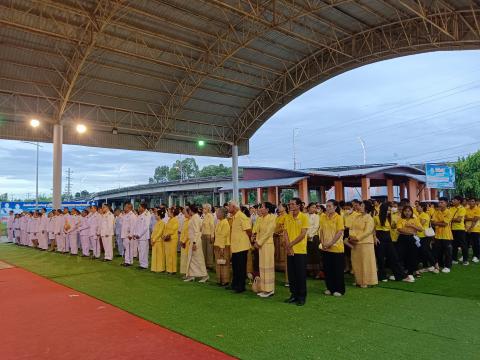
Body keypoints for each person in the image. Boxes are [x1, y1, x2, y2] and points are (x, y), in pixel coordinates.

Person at [283, 197, 309, 306]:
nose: (290, 206)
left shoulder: (304, 217)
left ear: (299, 206)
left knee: (300, 274)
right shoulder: (287, 217)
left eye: (293, 204)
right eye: (290, 204)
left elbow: (303, 234)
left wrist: (291, 244)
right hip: (290, 249)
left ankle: (301, 296)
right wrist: (288, 246)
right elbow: (285, 232)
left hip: (300, 250)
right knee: (292, 274)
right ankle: (293, 295)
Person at [346, 200, 378, 288]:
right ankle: (358, 280)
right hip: (355, 242)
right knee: (356, 262)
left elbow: (368, 231)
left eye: (362, 206)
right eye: (361, 206)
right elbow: (351, 228)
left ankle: (367, 281)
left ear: (367, 208)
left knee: (366, 262)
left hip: (365, 243)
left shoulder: (369, 218)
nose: (360, 207)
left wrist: (357, 238)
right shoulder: (357, 217)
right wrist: (351, 236)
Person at [374, 202, 407, 282]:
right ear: (383, 210)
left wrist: (394, 225)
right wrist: (375, 237)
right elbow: (373, 229)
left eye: (390, 210)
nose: (389, 212)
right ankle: (382, 276)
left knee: (394, 257)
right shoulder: (376, 218)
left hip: (389, 238)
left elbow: (393, 227)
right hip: (380, 238)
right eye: (388, 210)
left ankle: (400, 275)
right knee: (380, 259)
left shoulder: (390, 217)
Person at [319, 200, 345, 296]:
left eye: (330, 206)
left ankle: (339, 289)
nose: (328, 208)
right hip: (325, 247)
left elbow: (339, 232)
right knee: (328, 269)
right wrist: (323, 243)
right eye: (327, 206)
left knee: (337, 269)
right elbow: (321, 231)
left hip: (337, 248)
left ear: (335, 207)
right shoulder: (323, 217)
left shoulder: (339, 218)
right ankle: (330, 288)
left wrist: (331, 243)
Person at [228, 200, 252, 293]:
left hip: (241, 246)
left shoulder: (241, 216)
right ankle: (235, 284)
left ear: (234, 207)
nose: (228, 208)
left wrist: (248, 240)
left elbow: (249, 230)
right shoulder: (234, 217)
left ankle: (240, 286)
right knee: (235, 267)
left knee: (241, 267)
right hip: (235, 246)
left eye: (229, 206)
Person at [253, 202, 276, 298]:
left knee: (268, 266)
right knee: (262, 266)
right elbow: (256, 229)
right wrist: (254, 238)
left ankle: (270, 289)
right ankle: (263, 288)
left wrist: (259, 242)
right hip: (260, 245)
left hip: (267, 245)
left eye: (262, 207)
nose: (260, 209)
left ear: (267, 209)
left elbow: (268, 232)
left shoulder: (272, 218)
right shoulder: (260, 218)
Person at [396, 205, 423, 282]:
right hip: (402, 239)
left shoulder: (415, 219)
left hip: (412, 239)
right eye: (405, 211)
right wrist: (412, 231)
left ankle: (410, 273)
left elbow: (421, 229)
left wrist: (411, 225)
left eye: (409, 211)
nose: (407, 213)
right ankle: (401, 273)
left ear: (411, 212)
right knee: (400, 256)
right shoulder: (400, 219)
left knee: (412, 256)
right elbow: (400, 229)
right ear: (403, 212)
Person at [184, 204, 209, 283]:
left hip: (196, 241)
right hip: (193, 240)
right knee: (191, 259)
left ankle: (205, 275)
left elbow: (196, 231)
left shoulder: (195, 218)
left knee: (198, 259)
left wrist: (194, 242)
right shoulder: (195, 217)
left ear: (191, 210)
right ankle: (192, 275)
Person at [431, 197, 453, 273]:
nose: (440, 204)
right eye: (439, 202)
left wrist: (437, 223)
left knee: (447, 252)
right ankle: (440, 264)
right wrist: (440, 222)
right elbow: (432, 223)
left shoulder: (449, 212)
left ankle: (448, 266)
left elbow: (445, 224)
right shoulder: (436, 212)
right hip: (437, 235)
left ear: (446, 203)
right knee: (438, 251)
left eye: (442, 202)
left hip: (446, 235)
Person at [416, 203, 437, 273]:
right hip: (419, 236)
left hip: (424, 236)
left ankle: (434, 264)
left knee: (426, 251)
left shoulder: (424, 215)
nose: (416, 207)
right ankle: (425, 266)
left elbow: (420, 224)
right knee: (423, 251)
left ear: (422, 207)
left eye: (418, 206)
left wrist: (412, 225)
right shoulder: (419, 215)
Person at [213, 207, 231, 286]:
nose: (217, 214)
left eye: (218, 212)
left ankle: (225, 280)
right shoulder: (219, 222)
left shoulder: (225, 222)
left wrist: (222, 247)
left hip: (223, 246)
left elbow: (223, 235)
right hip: (217, 245)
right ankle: (219, 279)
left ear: (222, 214)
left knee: (224, 263)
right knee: (218, 263)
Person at [450, 196, 468, 265]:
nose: (453, 201)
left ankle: (465, 260)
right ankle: (454, 259)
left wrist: (450, 219)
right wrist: (452, 219)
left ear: (459, 201)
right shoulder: (451, 208)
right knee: (454, 245)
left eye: (454, 200)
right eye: (453, 200)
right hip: (452, 229)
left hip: (460, 229)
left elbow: (459, 220)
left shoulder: (462, 209)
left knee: (463, 245)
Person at [306, 203, 321, 278]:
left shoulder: (317, 216)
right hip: (304, 237)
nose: (314, 209)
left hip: (314, 237)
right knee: (307, 255)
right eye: (312, 207)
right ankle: (309, 271)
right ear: (308, 208)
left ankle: (316, 272)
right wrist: (305, 235)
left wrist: (310, 235)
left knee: (315, 255)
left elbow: (316, 227)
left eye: (315, 207)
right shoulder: (304, 215)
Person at [133, 203, 150, 269]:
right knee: (140, 250)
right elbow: (137, 226)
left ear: (143, 208)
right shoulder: (140, 215)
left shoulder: (146, 215)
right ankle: (141, 264)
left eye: (139, 207)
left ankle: (144, 265)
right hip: (139, 236)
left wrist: (139, 234)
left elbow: (146, 227)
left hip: (144, 237)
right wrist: (135, 234)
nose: (138, 208)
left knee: (144, 251)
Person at [120, 203, 137, 267]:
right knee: (126, 248)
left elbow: (133, 226)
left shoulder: (132, 215)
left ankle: (128, 262)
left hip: (128, 235)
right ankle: (127, 261)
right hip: (125, 234)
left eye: (125, 207)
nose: (124, 208)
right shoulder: (126, 215)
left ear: (128, 207)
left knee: (129, 248)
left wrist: (130, 234)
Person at [164, 207, 180, 274]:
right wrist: (164, 235)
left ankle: (173, 270)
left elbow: (173, 230)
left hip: (172, 239)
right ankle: (168, 269)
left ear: (172, 213)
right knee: (167, 254)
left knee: (172, 254)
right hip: (167, 238)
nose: (167, 213)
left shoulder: (175, 220)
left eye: (169, 212)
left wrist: (167, 234)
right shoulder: (169, 220)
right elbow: (166, 228)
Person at [465, 198, 480, 263]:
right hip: (466, 229)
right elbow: (464, 219)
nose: (471, 202)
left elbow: (475, 219)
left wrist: (470, 229)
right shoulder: (466, 209)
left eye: (473, 201)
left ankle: (476, 256)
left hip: (475, 229)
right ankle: (465, 256)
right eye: (470, 201)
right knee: (466, 243)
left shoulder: (478, 209)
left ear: (475, 202)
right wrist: (472, 218)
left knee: (475, 244)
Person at [201, 204, 215, 269]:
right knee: (204, 250)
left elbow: (212, 226)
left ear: (208, 209)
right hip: (203, 234)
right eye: (203, 208)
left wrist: (212, 235)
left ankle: (209, 265)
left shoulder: (210, 216)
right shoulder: (204, 216)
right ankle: (205, 264)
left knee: (209, 251)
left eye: (205, 208)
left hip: (208, 235)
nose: (203, 210)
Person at [179, 208, 190, 276]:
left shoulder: (190, 221)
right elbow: (183, 231)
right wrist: (181, 240)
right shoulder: (185, 220)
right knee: (183, 258)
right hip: (183, 241)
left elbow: (188, 233)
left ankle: (188, 272)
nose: (184, 214)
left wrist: (184, 241)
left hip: (187, 242)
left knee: (187, 258)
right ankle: (184, 272)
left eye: (185, 213)